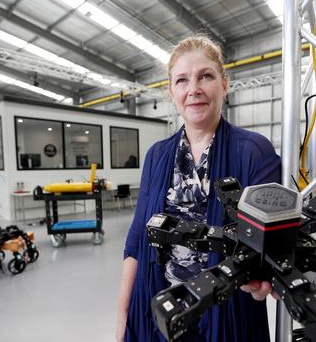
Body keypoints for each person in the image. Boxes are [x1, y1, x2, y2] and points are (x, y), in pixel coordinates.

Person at [116, 36, 281, 342]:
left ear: (224, 84)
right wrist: (122, 318)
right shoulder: (157, 155)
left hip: (227, 316)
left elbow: (272, 245)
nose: (193, 89)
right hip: (160, 313)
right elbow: (137, 240)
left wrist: (266, 279)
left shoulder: (254, 152)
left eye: (205, 76)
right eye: (182, 80)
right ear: (171, 92)